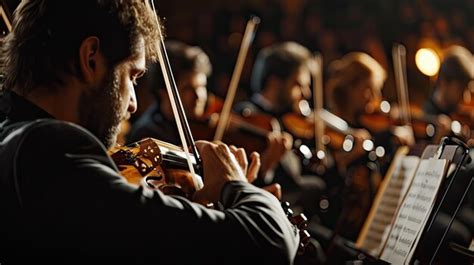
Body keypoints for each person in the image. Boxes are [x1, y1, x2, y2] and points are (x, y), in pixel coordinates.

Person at [0, 1, 299, 264]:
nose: (132, 104)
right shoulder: (50, 151)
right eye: (132, 75)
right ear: (91, 58)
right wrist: (235, 185)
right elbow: (269, 243)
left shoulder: (14, 140)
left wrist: (195, 210)